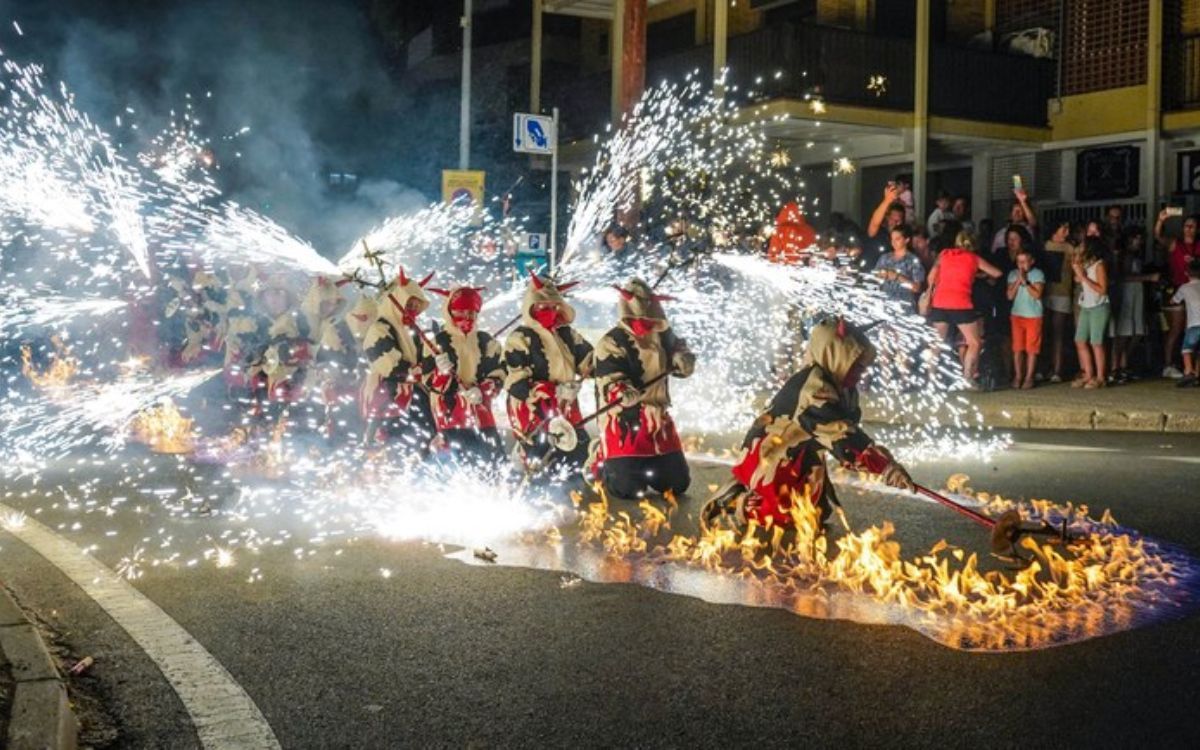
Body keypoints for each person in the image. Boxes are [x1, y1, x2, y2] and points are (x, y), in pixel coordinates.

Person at [700, 317, 913, 534]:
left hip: (803, 454)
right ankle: (735, 502)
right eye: (855, 364)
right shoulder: (814, 387)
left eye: (861, 365)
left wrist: (884, 465)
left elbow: (845, 432)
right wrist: (885, 466)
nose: (861, 371)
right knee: (777, 515)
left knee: (814, 515)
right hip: (773, 455)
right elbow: (841, 434)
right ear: (835, 356)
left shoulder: (844, 388)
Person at [590, 279, 695, 498]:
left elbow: (678, 349)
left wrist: (682, 359)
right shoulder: (612, 341)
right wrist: (621, 390)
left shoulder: (664, 334)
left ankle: (651, 466)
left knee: (677, 485)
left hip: (659, 419)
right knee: (627, 489)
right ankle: (600, 458)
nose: (645, 322)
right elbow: (607, 378)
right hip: (626, 421)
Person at [504, 271, 594, 474]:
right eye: (543, 306)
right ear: (531, 306)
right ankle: (524, 454)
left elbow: (591, 361)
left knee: (579, 461)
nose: (550, 311)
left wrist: (609, 367)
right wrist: (555, 391)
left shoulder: (567, 334)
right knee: (542, 467)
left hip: (567, 408)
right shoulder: (520, 338)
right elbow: (516, 383)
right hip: (533, 410)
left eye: (554, 306)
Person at [423, 286, 507, 463]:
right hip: (450, 416)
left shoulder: (487, 342)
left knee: (495, 461)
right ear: (449, 312)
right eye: (460, 312)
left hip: (482, 414)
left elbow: (499, 374)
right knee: (460, 466)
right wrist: (441, 373)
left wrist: (482, 391)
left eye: (471, 313)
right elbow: (427, 382)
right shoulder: (436, 343)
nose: (466, 318)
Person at [360, 268, 438, 447]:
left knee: (424, 433)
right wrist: (418, 369)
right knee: (394, 439)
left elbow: (423, 358)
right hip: (389, 393)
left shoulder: (411, 330)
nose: (413, 310)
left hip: (413, 391)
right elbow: (391, 366)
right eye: (409, 305)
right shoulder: (379, 329)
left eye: (416, 306)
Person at [926, 231, 1003, 387]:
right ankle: (967, 377)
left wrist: (931, 290)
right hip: (960, 303)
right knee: (974, 342)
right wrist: (978, 274)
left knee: (936, 343)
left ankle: (930, 379)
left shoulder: (944, 254)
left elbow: (931, 275)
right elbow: (997, 273)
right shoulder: (974, 258)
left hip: (940, 302)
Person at [1153, 209, 1200, 378]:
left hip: (1196, 291)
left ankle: (1191, 368)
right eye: (1186, 226)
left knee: (1193, 329)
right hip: (1178, 289)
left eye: (1192, 226)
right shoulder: (1175, 244)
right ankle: (1168, 364)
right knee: (1176, 329)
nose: (1189, 229)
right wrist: (1160, 221)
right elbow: (1158, 237)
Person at [1109, 229, 1157, 383]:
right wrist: (1148, 277)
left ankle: (1123, 365)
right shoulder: (1125, 256)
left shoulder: (1136, 256)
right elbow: (1123, 276)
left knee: (1135, 332)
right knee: (1123, 333)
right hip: (1127, 295)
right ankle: (1115, 367)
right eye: (1136, 238)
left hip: (1136, 295)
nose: (1139, 241)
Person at [1072, 237, 1111, 389]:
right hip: (1086, 306)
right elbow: (1076, 279)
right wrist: (1077, 268)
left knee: (1097, 342)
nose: (1080, 248)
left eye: (1083, 246)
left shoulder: (1099, 265)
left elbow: (1102, 290)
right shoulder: (1086, 264)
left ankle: (1101, 377)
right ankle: (1088, 374)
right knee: (1080, 340)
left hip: (1099, 306)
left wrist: (1084, 278)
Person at [1042, 222, 1076, 382]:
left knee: (1058, 334)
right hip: (1044, 292)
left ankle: (1057, 369)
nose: (1067, 232)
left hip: (1063, 293)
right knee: (1045, 332)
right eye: (1064, 228)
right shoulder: (1044, 245)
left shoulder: (1070, 248)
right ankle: (1044, 368)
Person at [1006, 249, 1045, 389]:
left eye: (1024, 261)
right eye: (1019, 262)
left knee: (1031, 348)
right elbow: (1010, 296)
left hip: (1033, 315)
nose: (1021, 265)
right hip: (1017, 314)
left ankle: (1029, 377)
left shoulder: (1038, 274)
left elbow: (1037, 295)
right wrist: (1018, 281)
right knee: (1017, 348)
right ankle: (1018, 376)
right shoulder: (1012, 274)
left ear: (1031, 261)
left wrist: (1026, 282)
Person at [873, 224, 926, 313]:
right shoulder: (884, 258)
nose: (893, 242)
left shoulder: (913, 260)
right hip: (885, 306)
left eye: (897, 239)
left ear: (906, 240)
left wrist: (898, 277)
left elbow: (917, 288)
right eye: (892, 239)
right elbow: (874, 278)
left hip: (904, 307)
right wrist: (880, 275)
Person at [1170, 260, 1200, 388]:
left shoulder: (1185, 287)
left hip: (1194, 324)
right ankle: (1197, 373)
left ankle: (1188, 371)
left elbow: (1174, 300)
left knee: (1186, 349)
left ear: (1187, 273)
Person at [865, 183, 908, 270]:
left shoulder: (904, 237)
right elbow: (874, 222)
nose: (897, 223)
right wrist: (887, 200)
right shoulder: (878, 232)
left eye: (900, 220)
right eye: (894, 220)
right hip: (872, 276)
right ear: (887, 218)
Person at [990, 189, 1038, 254]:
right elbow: (994, 253)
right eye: (1014, 210)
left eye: (1020, 211)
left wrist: (1022, 201)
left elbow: (1033, 222)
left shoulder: (1028, 229)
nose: (1017, 213)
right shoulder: (1000, 233)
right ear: (1010, 214)